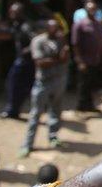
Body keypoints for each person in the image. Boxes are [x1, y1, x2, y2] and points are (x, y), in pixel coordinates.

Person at [20, 20, 69, 157]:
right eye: (52, 28)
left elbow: (65, 57)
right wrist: (58, 59)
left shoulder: (60, 40)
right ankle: (27, 144)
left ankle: (53, 136)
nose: (55, 31)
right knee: (36, 113)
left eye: (57, 28)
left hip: (59, 80)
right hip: (43, 82)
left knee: (56, 110)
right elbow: (40, 62)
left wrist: (62, 46)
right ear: (46, 29)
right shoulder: (38, 41)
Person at [0, 3, 34, 120]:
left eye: (14, 13)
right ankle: (13, 110)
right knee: (15, 85)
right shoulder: (16, 24)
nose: (12, 15)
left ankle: (12, 110)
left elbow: (34, 41)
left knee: (14, 84)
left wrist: (26, 51)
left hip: (25, 61)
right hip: (21, 59)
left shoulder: (26, 26)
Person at [71, 1, 102, 112]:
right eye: (90, 9)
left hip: (95, 59)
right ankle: (81, 106)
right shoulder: (79, 24)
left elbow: (101, 41)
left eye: (94, 9)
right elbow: (75, 44)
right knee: (83, 84)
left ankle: (90, 105)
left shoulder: (98, 24)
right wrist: (79, 61)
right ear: (85, 10)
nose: (92, 11)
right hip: (84, 59)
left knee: (92, 83)